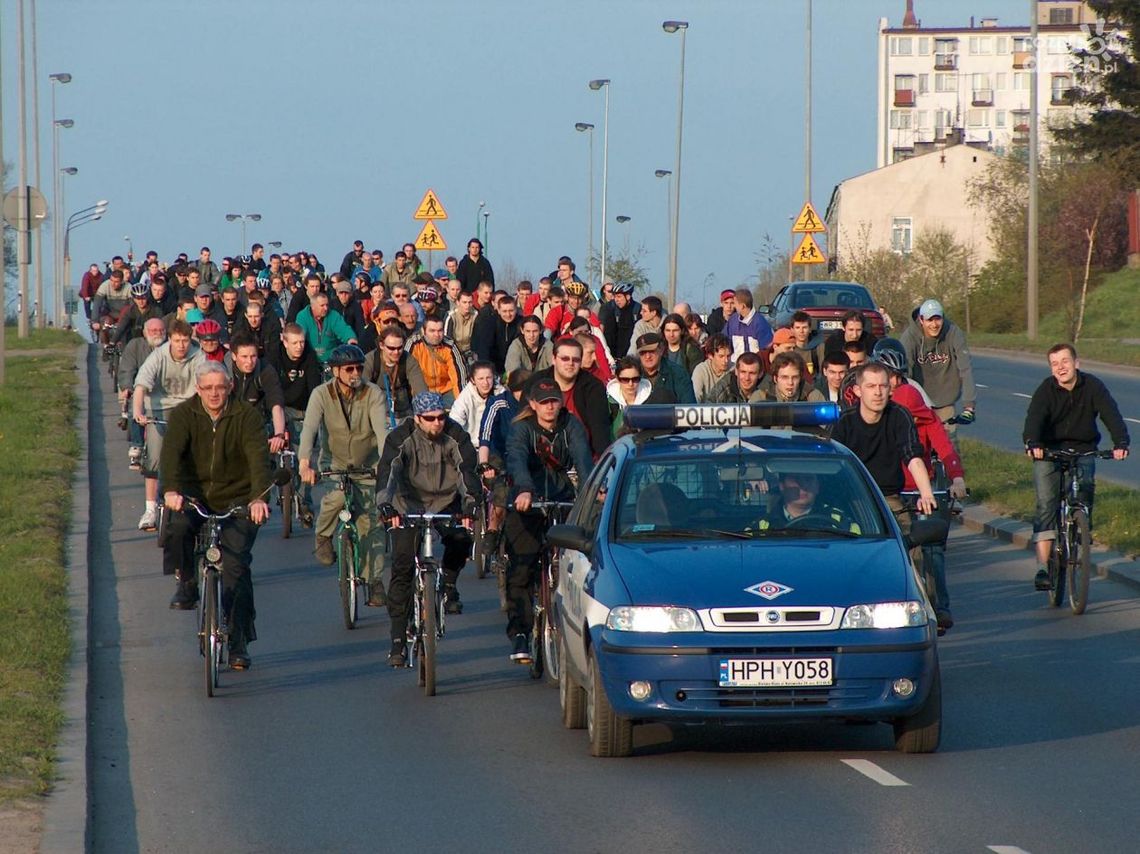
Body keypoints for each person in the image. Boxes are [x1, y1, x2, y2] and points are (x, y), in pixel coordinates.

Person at [161, 361, 272, 669]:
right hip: (194, 495)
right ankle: (186, 582)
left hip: (237, 499)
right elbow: (170, 455)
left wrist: (258, 499)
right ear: (198, 389)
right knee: (178, 529)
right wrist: (171, 490)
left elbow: (258, 461)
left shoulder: (246, 416)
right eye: (207, 388)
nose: (214, 394)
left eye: (220, 387)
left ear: (230, 387)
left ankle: (238, 642)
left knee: (237, 567)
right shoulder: (184, 415)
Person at [377, 392, 479, 666]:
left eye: (441, 417)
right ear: (417, 419)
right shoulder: (400, 437)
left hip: (446, 500)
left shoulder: (456, 435)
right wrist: (385, 505)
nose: (437, 423)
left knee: (461, 539)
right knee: (401, 566)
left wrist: (471, 504)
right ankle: (397, 640)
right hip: (408, 503)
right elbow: (388, 471)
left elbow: (468, 470)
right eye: (430, 419)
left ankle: (447, 583)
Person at [872, 338, 966, 631]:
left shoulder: (911, 396)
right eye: (889, 379)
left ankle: (942, 607)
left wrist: (956, 475)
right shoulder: (867, 405)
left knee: (933, 547)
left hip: (920, 487)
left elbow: (937, 434)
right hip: (888, 489)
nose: (892, 387)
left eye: (897, 379)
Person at [1023, 343, 1129, 590]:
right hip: (1049, 451)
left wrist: (1121, 443)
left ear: (1076, 363)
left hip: (1083, 448)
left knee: (1085, 487)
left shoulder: (1093, 386)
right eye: (1055, 364)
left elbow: (1111, 414)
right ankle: (1042, 569)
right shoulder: (1045, 391)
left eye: (1065, 361)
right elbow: (1033, 420)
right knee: (1046, 503)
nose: (1060, 368)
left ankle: (1082, 526)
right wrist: (1033, 443)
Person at [503, 377, 593, 662]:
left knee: (578, 562)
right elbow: (516, 459)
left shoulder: (571, 425)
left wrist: (591, 491)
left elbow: (582, 459)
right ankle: (520, 633)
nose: (550, 406)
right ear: (532, 405)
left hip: (561, 495)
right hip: (526, 501)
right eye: (543, 403)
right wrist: (525, 489)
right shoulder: (521, 429)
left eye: (554, 400)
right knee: (522, 565)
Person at [298, 344, 390, 605]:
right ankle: (323, 534)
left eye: (359, 368)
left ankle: (373, 582)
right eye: (349, 368)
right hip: (334, 462)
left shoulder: (372, 393)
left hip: (367, 465)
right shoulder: (321, 394)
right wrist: (305, 463)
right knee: (337, 497)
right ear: (336, 371)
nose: (355, 373)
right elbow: (309, 430)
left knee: (370, 523)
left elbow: (382, 434)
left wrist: (385, 465)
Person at [830, 362, 937, 537]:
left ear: (890, 390)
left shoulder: (900, 415)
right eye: (871, 386)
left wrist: (926, 494)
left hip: (889, 499)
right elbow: (832, 465)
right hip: (852, 500)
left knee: (911, 548)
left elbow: (912, 457)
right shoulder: (844, 421)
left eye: (883, 386)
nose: (878, 392)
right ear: (858, 391)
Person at [133, 320, 206, 530]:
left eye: (185, 340)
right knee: (155, 457)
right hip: (159, 408)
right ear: (170, 339)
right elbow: (140, 386)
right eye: (177, 341)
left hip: (188, 409)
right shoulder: (158, 356)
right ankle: (150, 509)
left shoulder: (198, 355)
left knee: (195, 453)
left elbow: (206, 383)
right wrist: (138, 412)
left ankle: (196, 500)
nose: (181, 345)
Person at [899, 299, 976, 436]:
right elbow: (906, 373)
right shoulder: (910, 337)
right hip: (920, 401)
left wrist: (969, 407)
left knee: (948, 444)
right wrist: (907, 404)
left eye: (938, 319)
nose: (934, 325)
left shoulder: (953, 332)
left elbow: (965, 368)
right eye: (929, 320)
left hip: (945, 400)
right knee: (921, 444)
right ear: (921, 320)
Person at [532, 336, 612, 458]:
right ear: (553, 359)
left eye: (576, 359)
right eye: (565, 359)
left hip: (584, 458)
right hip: (542, 461)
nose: (570, 363)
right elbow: (523, 428)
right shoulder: (535, 383)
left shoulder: (593, 387)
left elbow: (600, 431)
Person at [225, 334, 288, 455]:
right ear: (234, 356)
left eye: (253, 356)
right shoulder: (223, 371)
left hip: (257, 422)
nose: (249, 361)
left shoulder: (265, 370)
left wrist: (279, 434)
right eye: (244, 356)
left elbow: (276, 404)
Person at [119, 318, 167, 470]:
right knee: (137, 408)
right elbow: (127, 369)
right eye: (154, 331)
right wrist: (127, 387)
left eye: (161, 330)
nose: (158, 334)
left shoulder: (170, 347)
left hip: (166, 392)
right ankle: (137, 446)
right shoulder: (135, 346)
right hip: (142, 389)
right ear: (145, 333)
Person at [364, 325, 428, 428]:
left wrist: (424, 413)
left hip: (404, 412)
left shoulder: (409, 360)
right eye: (391, 348)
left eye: (400, 348)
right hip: (377, 412)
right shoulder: (370, 360)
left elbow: (421, 390)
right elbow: (361, 391)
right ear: (381, 345)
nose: (396, 352)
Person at [757, 470, 860, 534]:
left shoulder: (840, 522)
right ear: (782, 486)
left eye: (808, 479)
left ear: (817, 486)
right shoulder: (763, 526)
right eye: (796, 479)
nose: (802, 485)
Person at [404, 316, 467, 406]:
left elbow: (459, 377)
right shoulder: (414, 344)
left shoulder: (450, 345)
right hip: (422, 391)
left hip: (446, 391)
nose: (437, 335)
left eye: (440, 331)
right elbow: (407, 374)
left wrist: (462, 403)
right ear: (423, 331)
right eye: (432, 331)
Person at [449, 361, 504, 449]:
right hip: (472, 446)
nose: (485, 383)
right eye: (481, 379)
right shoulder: (466, 396)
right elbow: (455, 420)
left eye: (488, 378)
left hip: (496, 446)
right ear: (473, 380)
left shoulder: (501, 393)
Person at [295, 290, 358, 364]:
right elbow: (299, 335)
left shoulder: (333, 315)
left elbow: (343, 329)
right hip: (309, 359)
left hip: (331, 359)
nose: (326, 308)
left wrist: (351, 339)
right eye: (322, 305)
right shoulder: (302, 316)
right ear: (313, 306)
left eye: (327, 305)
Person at [635, 332, 695, 404]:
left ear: (661, 349)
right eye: (643, 352)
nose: (648, 356)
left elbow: (688, 406)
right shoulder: (632, 375)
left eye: (651, 351)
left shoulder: (678, 373)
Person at [471, 292, 520, 375]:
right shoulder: (489, 323)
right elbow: (484, 349)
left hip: (514, 365)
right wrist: (488, 371)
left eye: (511, 311)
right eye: (504, 311)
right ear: (499, 311)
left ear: (516, 310)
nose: (508, 314)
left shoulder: (520, 323)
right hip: (494, 365)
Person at [606, 357, 652, 438]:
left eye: (635, 379)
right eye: (625, 380)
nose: (630, 384)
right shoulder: (609, 402)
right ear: (617, 378)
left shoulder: (651, 400)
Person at [725, 288, 773, 357]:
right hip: (735, 365)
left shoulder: (760, 323)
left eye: (735, 303)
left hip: (755, 365)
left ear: (742, 306)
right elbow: (724, 340)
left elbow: (767, 349)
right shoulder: (733, 321)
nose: (734, 306)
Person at [691, 333, 732, 403]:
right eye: (721, 356)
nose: (726, 361)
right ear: (710, 356)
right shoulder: (700, 371)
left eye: (728, 356)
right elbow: (695, 399)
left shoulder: (733, 370)